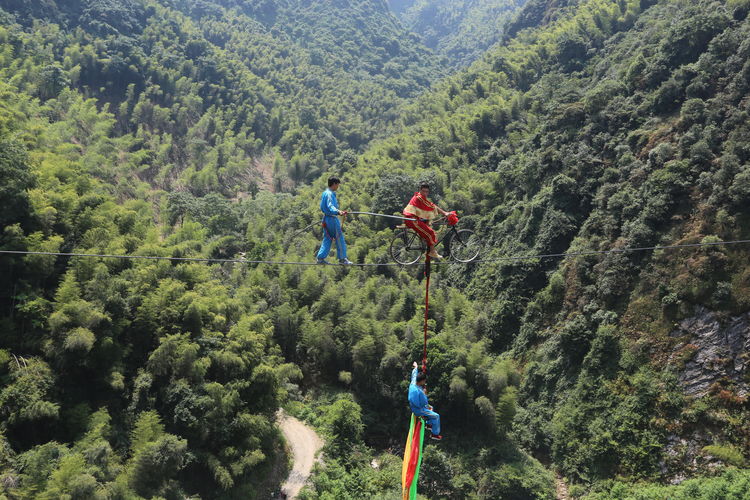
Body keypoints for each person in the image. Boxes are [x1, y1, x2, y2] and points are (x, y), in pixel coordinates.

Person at [403, 183, 449, 259]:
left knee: (426, 227)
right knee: (431, 233)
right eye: (423, 191)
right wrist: (444, 213)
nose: (425, 193)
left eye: (426, 192)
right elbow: (432, 206)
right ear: (420, 190)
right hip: (412, 220)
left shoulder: (418, 196)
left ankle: (425, 244)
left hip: (412, 218)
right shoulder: (419, 198)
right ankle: (432, 252)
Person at [316, 177, 353, 265]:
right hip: (332, 219)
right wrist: (338, 211)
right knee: (339, 238)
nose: (338, 187)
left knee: (327, 238)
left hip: (326, 219)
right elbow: (330, 205)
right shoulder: (329, 194)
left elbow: (324, 206)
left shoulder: (325, 193)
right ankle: (342, 259)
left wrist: (338, 211)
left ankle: (320, 258)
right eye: (338, 185)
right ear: (334, 184)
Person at [409, 361, 442, 440]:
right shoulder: (417, 391)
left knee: (431, 407)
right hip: (418, 409)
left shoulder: (414, 382)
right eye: (424, 381)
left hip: (419, 406)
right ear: (421, 381)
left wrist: (416, 367)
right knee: (436, 416)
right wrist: (424, 394)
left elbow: (414, 375)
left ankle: (429, 425)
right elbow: (419, 402)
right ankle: (435, 434)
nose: (425, 382)